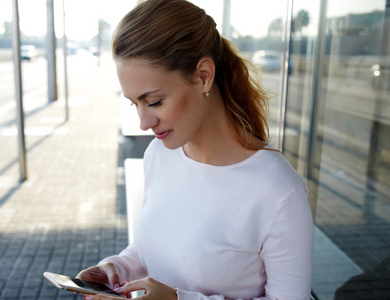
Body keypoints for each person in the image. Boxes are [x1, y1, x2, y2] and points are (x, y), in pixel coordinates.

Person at [77, 0, 314, 299]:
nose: (144, 122)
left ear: (203, 75)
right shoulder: (159, 155)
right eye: (134, 103)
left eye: (154, 102)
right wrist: (116, 269)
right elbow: (158, 246)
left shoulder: (279, 193)